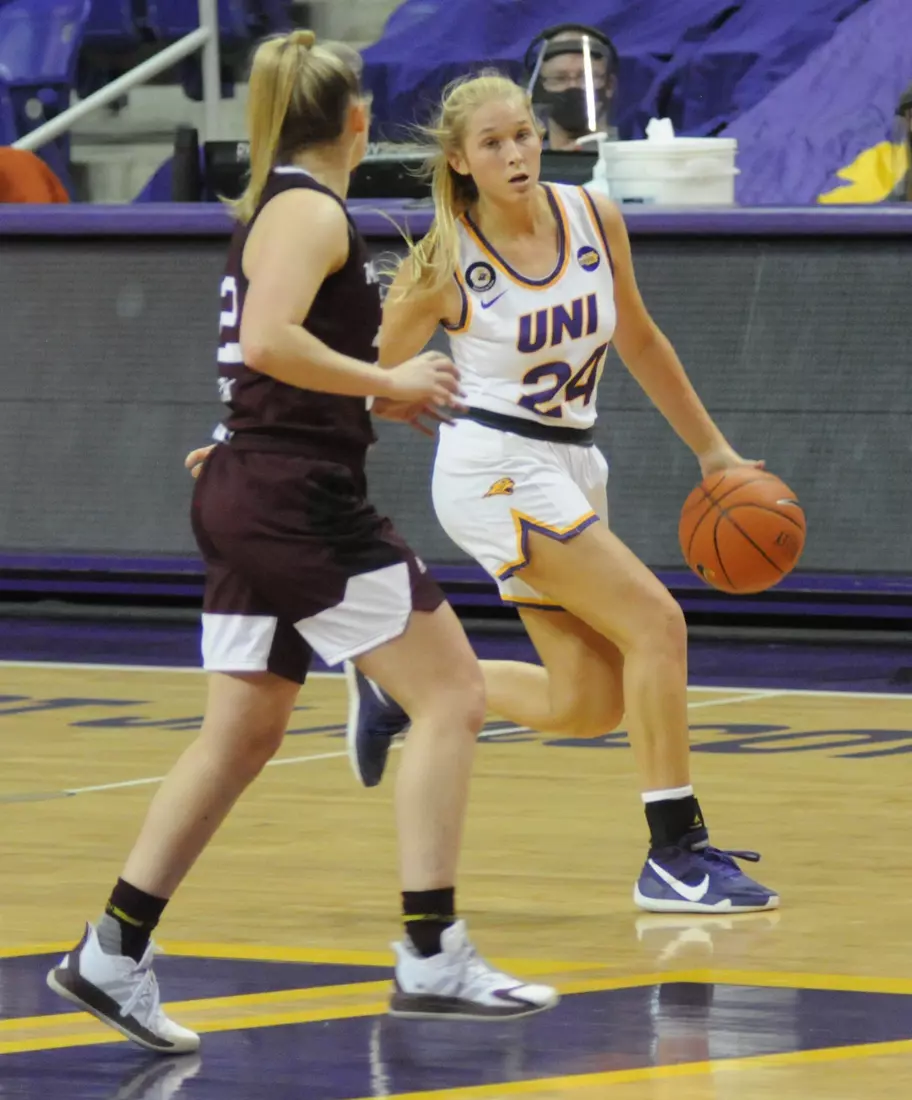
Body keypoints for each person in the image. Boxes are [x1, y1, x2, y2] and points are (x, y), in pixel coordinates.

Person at [45, 36, 557, 1056]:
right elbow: (273, 338)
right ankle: (432, 950)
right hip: (293, 503)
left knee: (241, 734)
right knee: (452, 693)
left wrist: (328, 407)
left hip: (258, 484)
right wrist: (392, 384)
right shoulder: (310, 208)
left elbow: (270, 358)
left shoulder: (284, 206)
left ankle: (111, 950)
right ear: (358, 119)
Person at [347, 71, 779, 916]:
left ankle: (402, 685)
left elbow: (643, 341)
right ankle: (674, 855)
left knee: (588, 703)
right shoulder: (443, 266)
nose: (515, 153)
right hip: (493, 470)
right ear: (460, 160)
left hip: (573, 463)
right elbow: (361, 381)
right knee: (658, 622)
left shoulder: (593, 215)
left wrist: (715, 453)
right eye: (493, 143)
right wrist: (377, 403)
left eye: (523, 135)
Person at [525, 25, 620, 150]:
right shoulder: (524, 165)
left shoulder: (638, 161)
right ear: (540, 89)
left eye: (586, 78)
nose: (573, 86)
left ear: (609, 85)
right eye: (559, 78)